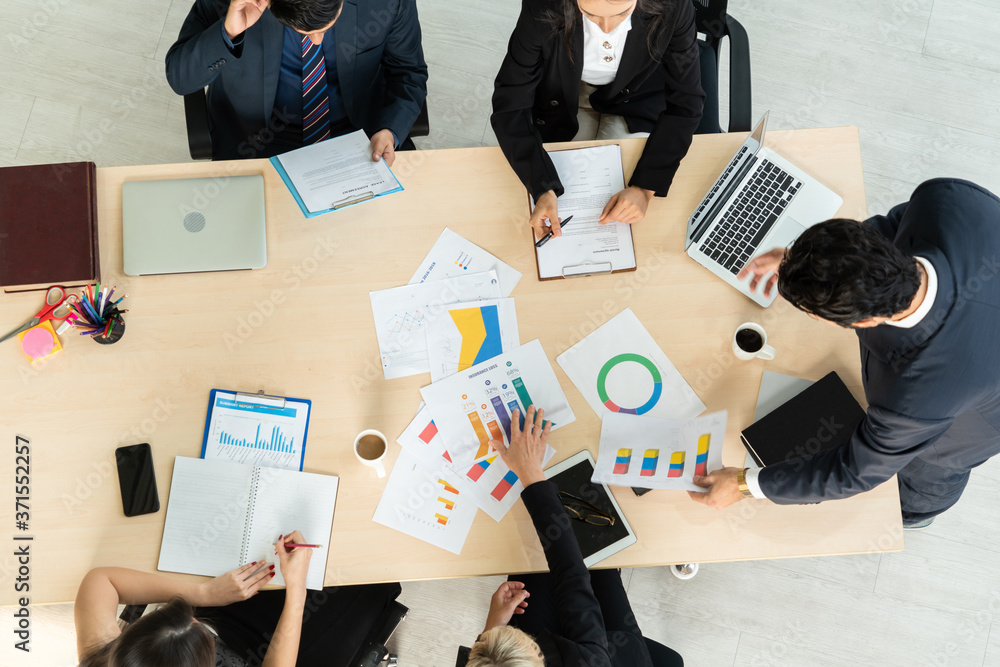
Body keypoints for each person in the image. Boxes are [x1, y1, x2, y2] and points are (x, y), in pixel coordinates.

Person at [689, 178, 1000, 530]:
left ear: (867, 320)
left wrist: (746, 484)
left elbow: (853, 471)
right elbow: (885, 233)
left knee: (927, 476)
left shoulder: (914, 397)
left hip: (973, 424)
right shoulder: (946, 199)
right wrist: (802, 263)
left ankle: (914, 516)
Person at [466, 407, 683, 666]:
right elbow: (572, 579)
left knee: (532, 562)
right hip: (610, 654)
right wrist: (531, 475)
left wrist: (491, 630)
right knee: (596, 549)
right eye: (528, 642)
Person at [491, 0, 704, 240]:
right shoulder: (542, 5)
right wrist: (542, 187)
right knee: (568, 185)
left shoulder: (673, 5)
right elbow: (509, 104)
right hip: (564, 92)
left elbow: (686, 102)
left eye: (622, 13)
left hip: (637, 93)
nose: (606, 28)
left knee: (632, 205)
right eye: (590, 14)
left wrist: (645, 189)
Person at [75, 530, 402, 666]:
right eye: (198, 627)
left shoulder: (104, 660)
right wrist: (297, 590)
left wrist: (203, 593)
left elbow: (100, 580)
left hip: (224, 610)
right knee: (366, 584)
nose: (195, 617)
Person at [165, 0, 428, 161]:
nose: (316, 41)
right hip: (256, 140)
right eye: (304, 31)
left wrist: (389, 130)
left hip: (361, 134)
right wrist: (228, 32)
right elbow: (180, 78)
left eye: (325, 28)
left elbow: (408, 71)